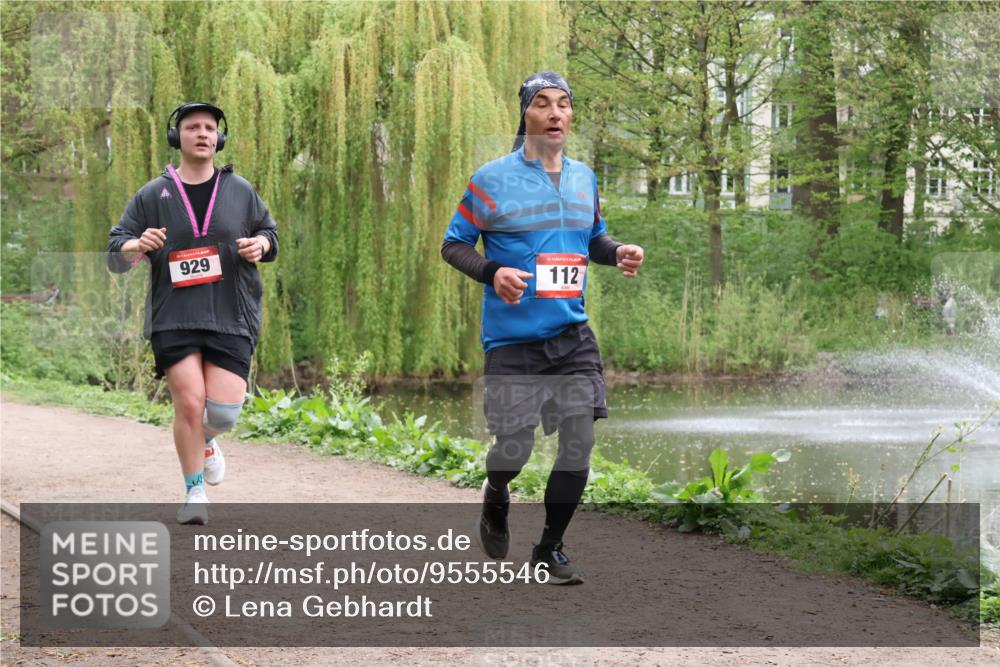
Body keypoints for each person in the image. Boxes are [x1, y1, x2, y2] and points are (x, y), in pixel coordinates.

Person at [441, 72, 644, 584]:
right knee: (514, 449)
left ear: (571, 116)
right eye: (543, 104)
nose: (555, 113)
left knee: (579, 441)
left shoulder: (584, 178)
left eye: (563, 105)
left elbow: (591, 239)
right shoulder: (490, 180)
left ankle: (549, 547)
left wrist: (616, 251)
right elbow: (454, 244)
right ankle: (496, 492)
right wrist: (493, 272)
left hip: (572, 335)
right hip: (512, 340)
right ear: (526, 115)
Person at [107, 102, 278, 525]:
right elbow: (115, 250)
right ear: (177, 137)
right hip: (174, 315)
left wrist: (263, 246)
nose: (202, 133)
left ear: (218, 139)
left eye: (209, 128)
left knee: (221, 413)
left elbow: (270, 234)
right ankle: (194, 492)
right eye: (192, 127)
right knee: (188, 403)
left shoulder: (240, 189)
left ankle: (206, 441)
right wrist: (136, 244)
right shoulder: (153, 194)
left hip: (231, 313)